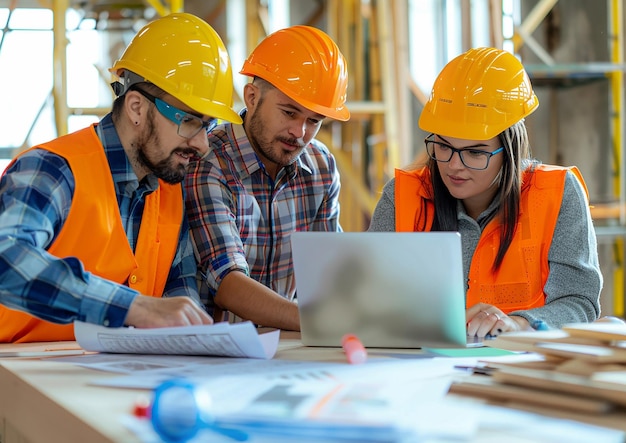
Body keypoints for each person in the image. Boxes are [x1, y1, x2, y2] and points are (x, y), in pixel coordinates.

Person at [0, 13, 243, 343]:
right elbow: (6, 259)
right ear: (137, 108)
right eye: (190, 122)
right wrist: (135, 307)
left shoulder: (170, 191)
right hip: (17, 379)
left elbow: (177, 303)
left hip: (110, 381)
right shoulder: (53, 170)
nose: (201, 144)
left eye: (208, 126)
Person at [368, 47, 602, 337]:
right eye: (443, 146)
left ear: (511, 150)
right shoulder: (403, 198)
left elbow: (579, 302)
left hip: (522, 368)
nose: (454, 165)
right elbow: (370, 302)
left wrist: (519, 324)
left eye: (475, 153)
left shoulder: (558, 194)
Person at [185, 25, 350, 331]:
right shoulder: (209, 162)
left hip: (289, 343)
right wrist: (319, 321)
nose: (300, 133)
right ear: (251, 97)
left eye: (313, 121)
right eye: (289, 113)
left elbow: (328, 270)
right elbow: (227, 283)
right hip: (216, 349)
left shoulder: (321, 164)